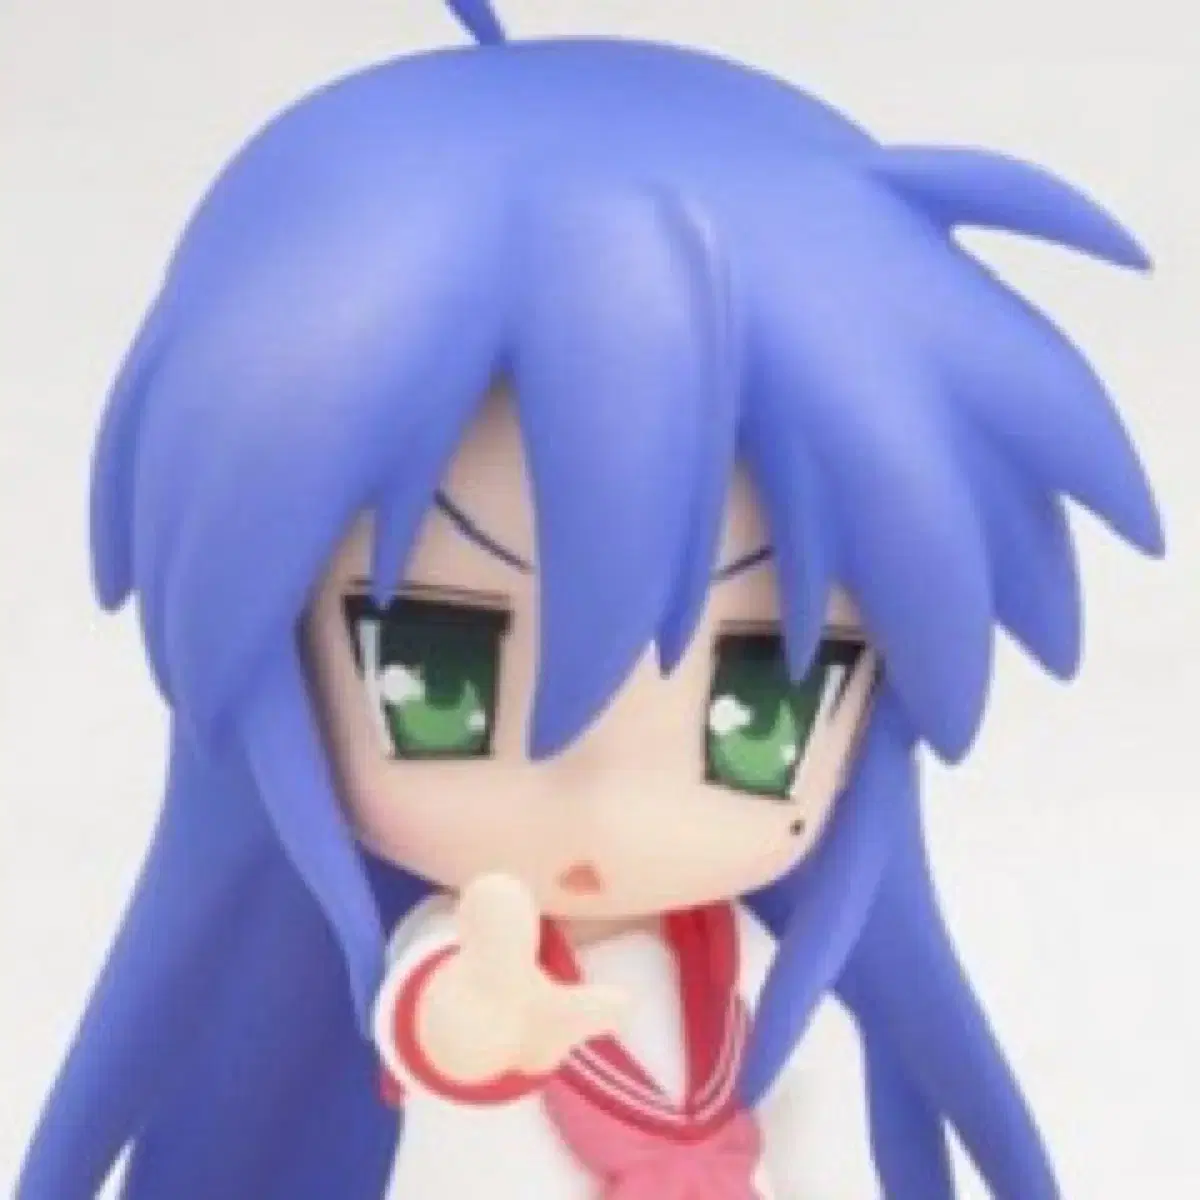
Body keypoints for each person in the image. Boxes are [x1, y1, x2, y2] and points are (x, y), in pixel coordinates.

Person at [18, 2, 1163, 1197]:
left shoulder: (741, 979)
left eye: (760, 712)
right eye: (434, 679)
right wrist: (481, 1027)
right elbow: (439, 1033)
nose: (604, 809)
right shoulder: (465, 956)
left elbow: (804, 1115)